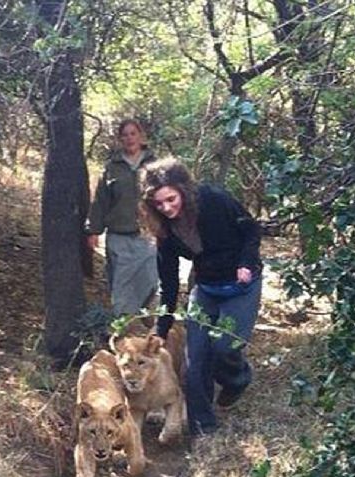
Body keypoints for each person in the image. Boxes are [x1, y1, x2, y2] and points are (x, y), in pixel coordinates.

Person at [138, 158, 262, 437]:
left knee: (224, 347)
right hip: (206, 289)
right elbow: (168, 283)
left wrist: (246, 262)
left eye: (171, 199)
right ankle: (202, 432)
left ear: (183, 190)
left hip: (241, 286)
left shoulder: (214, 199)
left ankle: (237, 379)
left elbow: (251, 229)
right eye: (159, 204)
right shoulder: (166, 231)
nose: (167, 208)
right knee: (195, 363)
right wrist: (161, 329)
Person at [85, 119, 159, 317]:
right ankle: (124, 327)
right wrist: (93, 231)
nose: (129, 138)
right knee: (121, 284)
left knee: (151, 281)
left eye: (133, 133)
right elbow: (100, 201)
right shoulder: (112, 167)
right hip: (119, 235)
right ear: (120, 139)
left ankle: (147, 325)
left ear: (141, 136)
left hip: (148, 236)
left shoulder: (155, 165)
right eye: (124, 135)